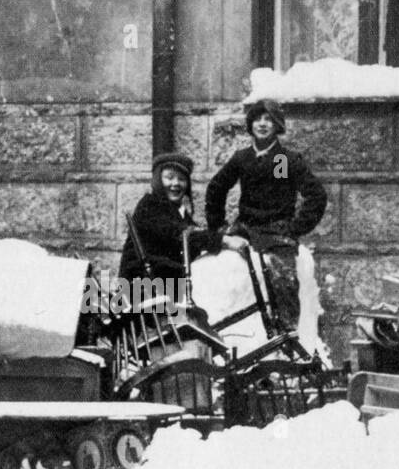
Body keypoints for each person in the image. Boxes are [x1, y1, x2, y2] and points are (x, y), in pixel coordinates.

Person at [205, 99, 327, 331]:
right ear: (250, 124)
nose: (262, 124)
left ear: (277, 125)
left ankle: (288, 337)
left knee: (283, 281)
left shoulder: (281, 160)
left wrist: (294, 228)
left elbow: (315, 196)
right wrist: (217, 227)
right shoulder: (242, 158)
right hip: (245, 229)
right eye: (258, 118)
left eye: (269, 119)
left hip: (275, 232)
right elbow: (216, 188)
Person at [119, 153, 245, 304]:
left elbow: (193, 238)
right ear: (158, 180)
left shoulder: (180, 212)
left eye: (182, 179)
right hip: (142, 291)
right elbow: (181, 235)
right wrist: (224, 240)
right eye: (169, 177)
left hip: (168, 287)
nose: (176, 183)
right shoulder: (150, 206)